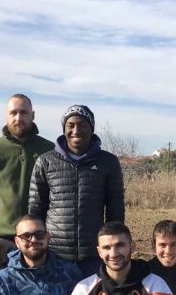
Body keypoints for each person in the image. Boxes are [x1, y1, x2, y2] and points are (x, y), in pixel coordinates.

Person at [28, 104, 125, 274]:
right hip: (55, 255)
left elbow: (115, 209)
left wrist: (113, 247)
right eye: (70, 125)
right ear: (64, 129)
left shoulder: (108, 162)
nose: (76, 130)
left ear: (91, 129)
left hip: (93, 256)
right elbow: (35, 209)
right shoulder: (45, 162)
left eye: (82, 125)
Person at [0, 94, 54, 241]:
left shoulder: (49, 150)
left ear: (33, 115)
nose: (18, 118)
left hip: (38, 238)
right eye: (13, 113)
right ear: (6, 115)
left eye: (24, 112)